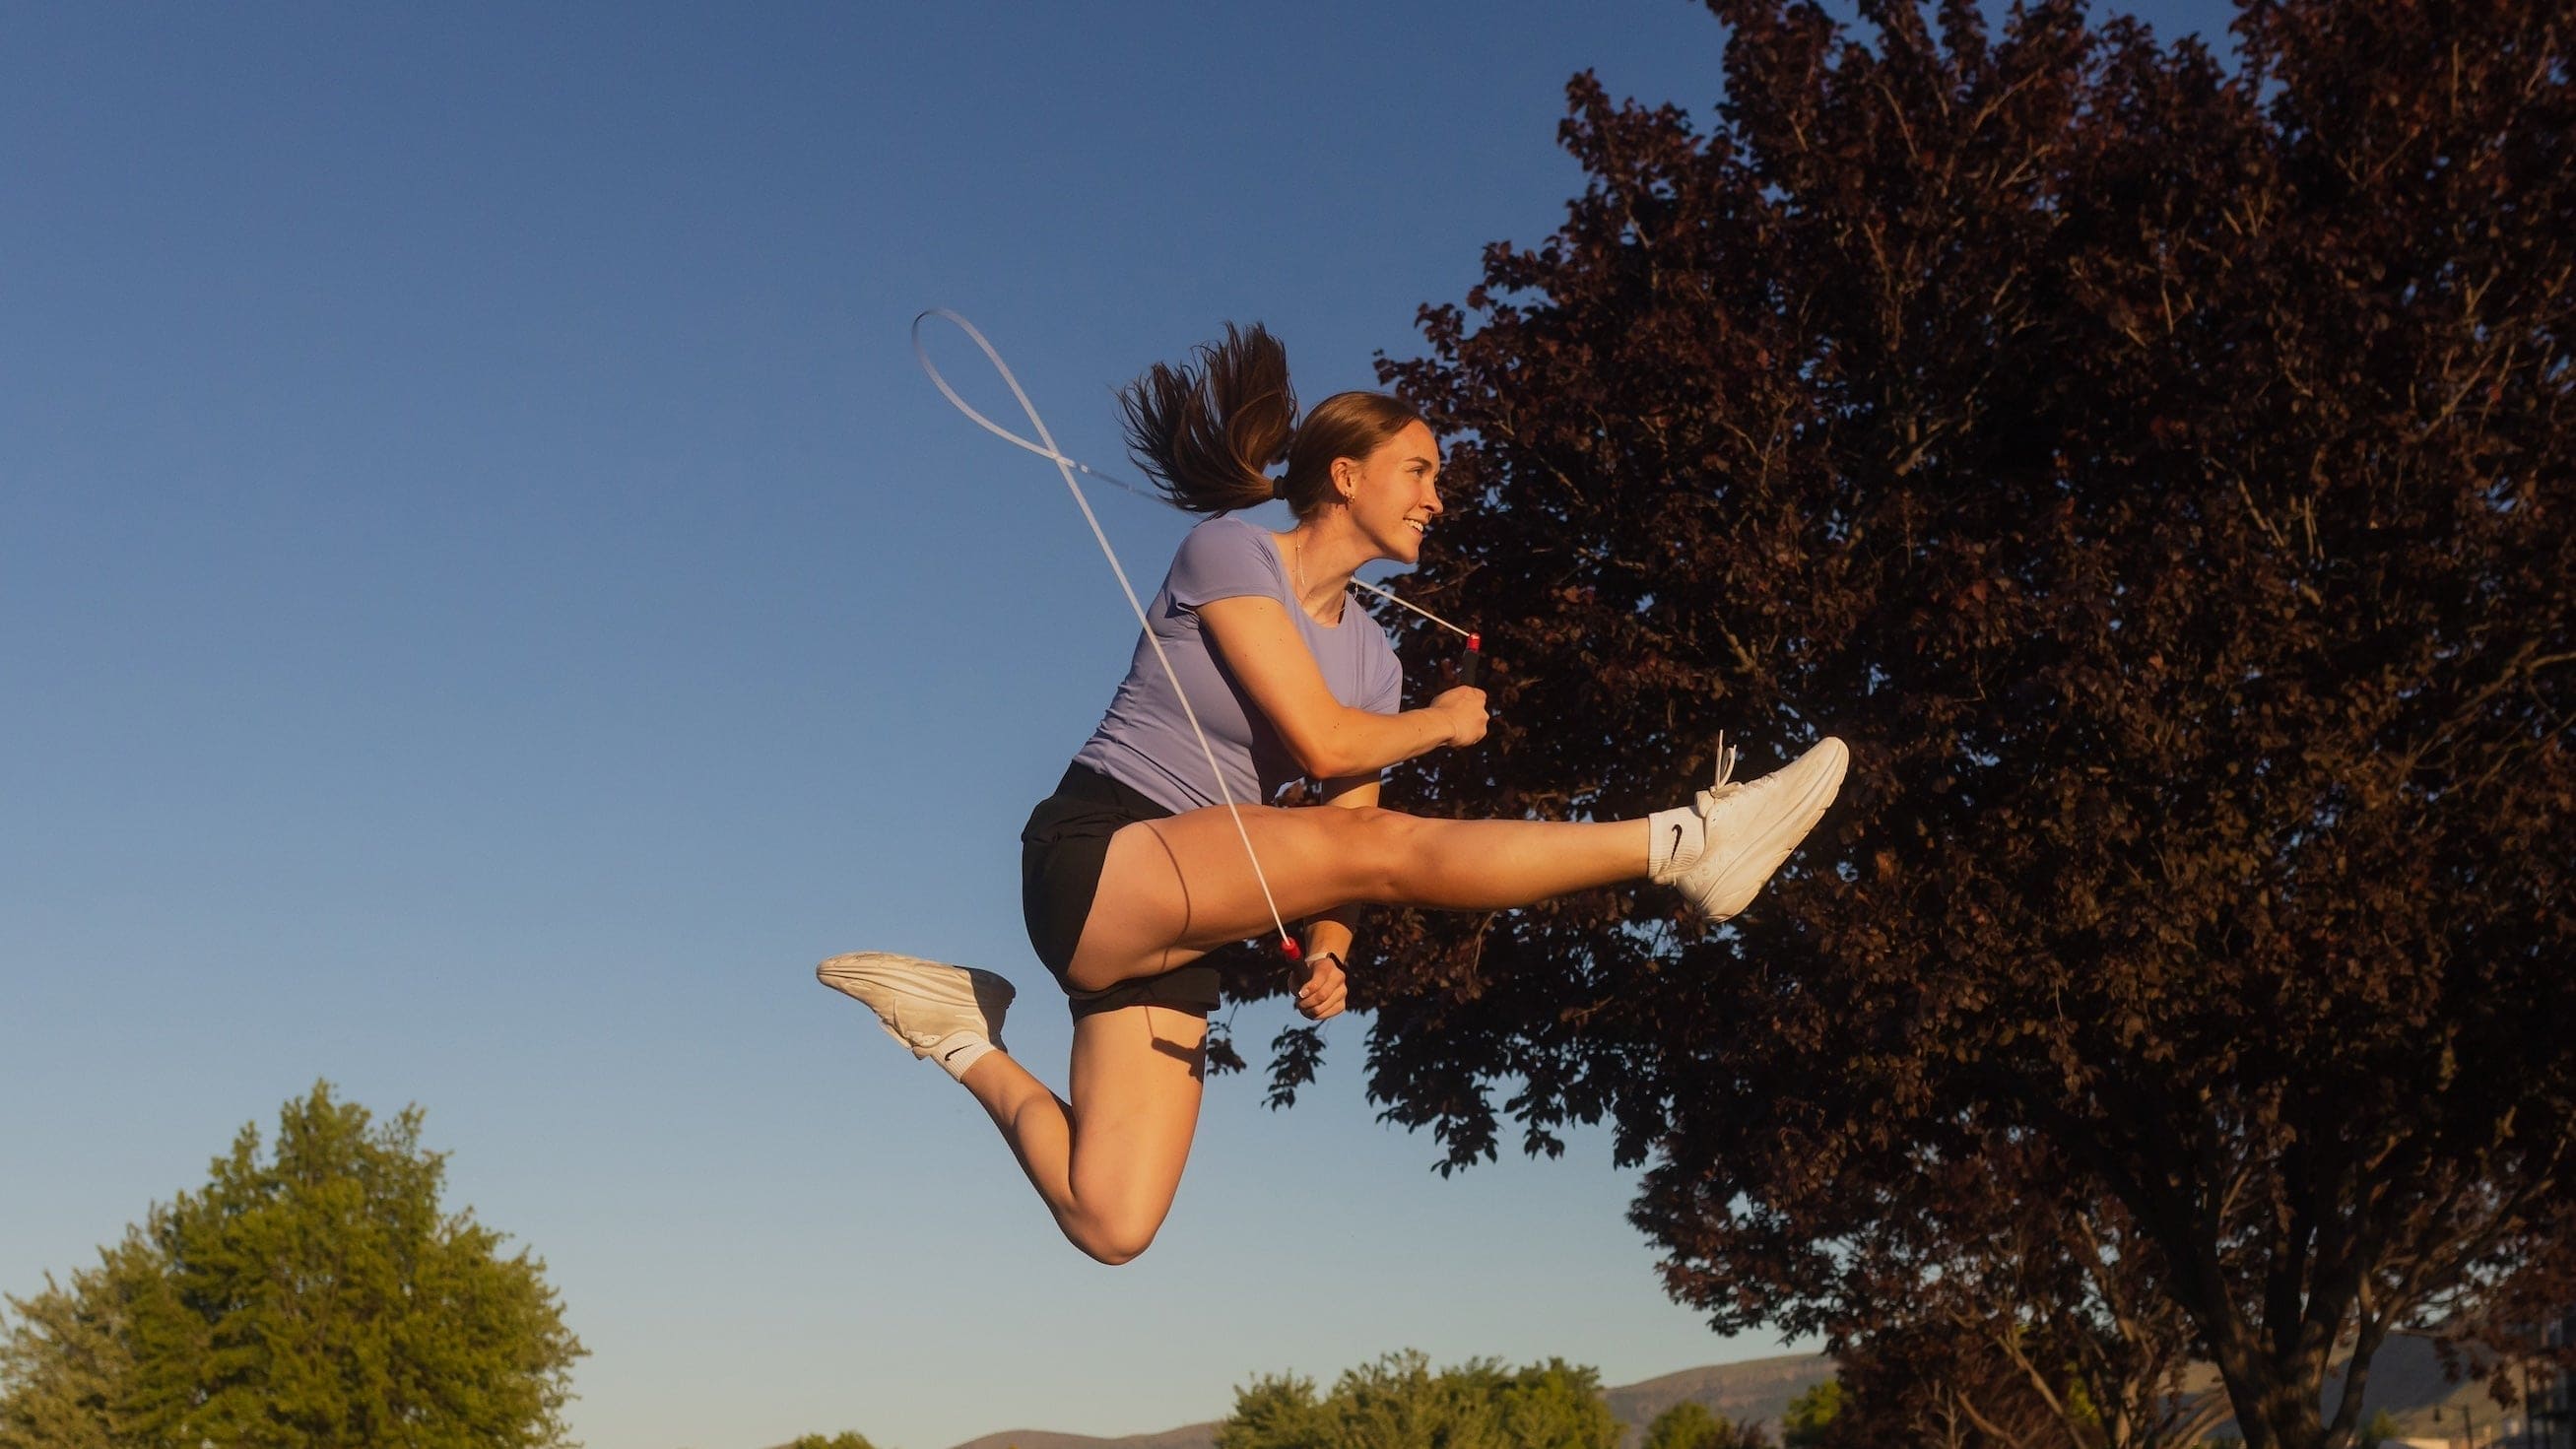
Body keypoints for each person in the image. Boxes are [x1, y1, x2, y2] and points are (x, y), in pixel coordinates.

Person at [821, 323, 1846, 1265]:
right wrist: (1442, 724)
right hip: (1101, 855)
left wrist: (1330, 948)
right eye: (1419, 470)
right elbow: (1322, 742)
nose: (1436, 497)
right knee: (1391, 843)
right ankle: (1687, 840)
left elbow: (1348, 837)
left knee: (1111, 1220)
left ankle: (958, 1030)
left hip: (1189, 920)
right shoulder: (1229, 551)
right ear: (1345, 476)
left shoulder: (1375, 660)